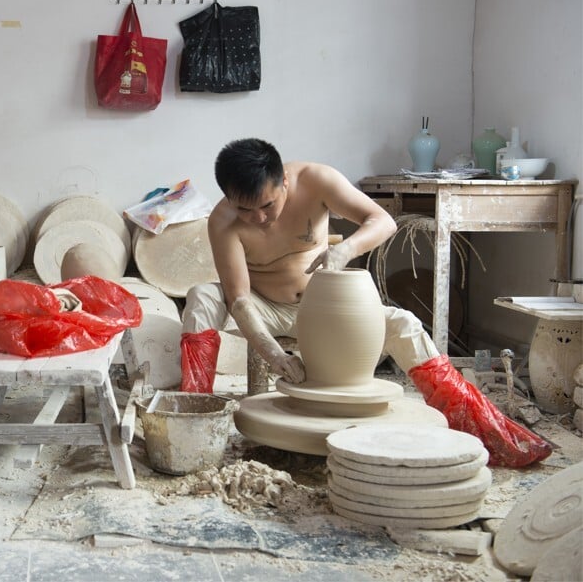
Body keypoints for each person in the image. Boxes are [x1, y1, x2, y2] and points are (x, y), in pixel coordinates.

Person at [182, 138, 551, 467]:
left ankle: (475, 425)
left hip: (320, 308)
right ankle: (191, 417)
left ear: (285, 182)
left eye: (267, 205)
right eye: (245, 210)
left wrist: (344, 250)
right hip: (265, 308)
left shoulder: (316, 180)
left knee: (405, 323)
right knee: (202, 297)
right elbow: (240, 299)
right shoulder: (224, 221)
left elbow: (382, 220)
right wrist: (274, 355)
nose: (258, 219)